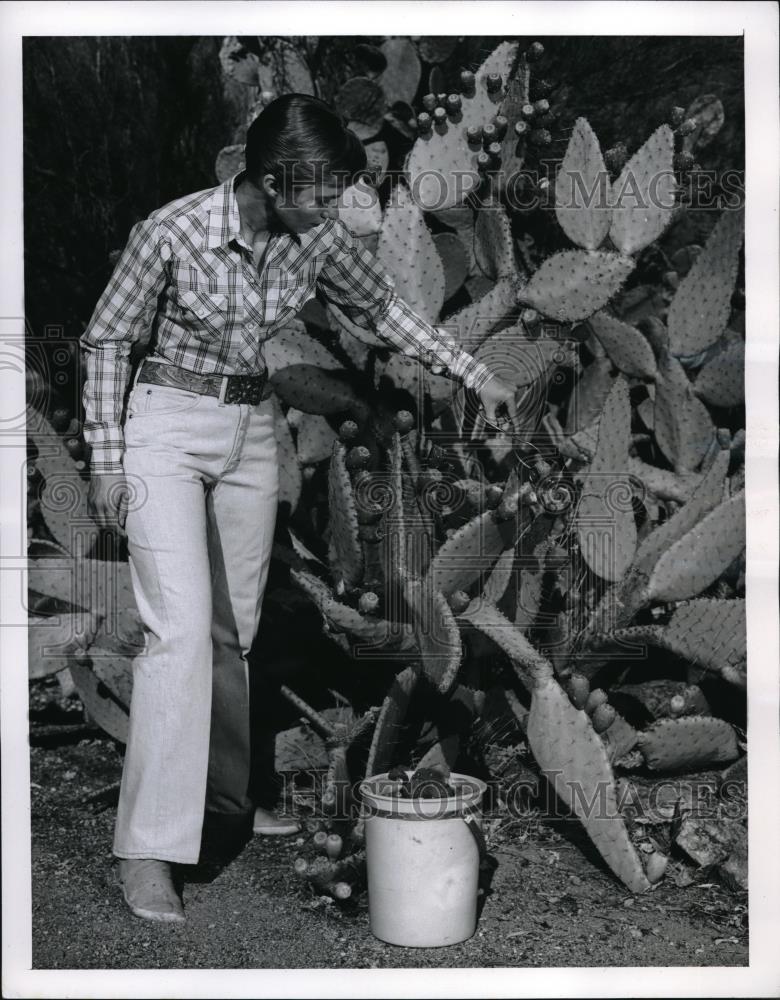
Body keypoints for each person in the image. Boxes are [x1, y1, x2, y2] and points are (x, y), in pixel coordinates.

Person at [80, 93, 517, 923]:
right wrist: (105, 459)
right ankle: (148, 850)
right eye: (319, 189)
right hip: (165, 427)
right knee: (176, 631)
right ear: (271, 178)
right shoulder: (171, 230)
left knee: (230, 632)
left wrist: (476, 373)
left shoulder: (314, 238)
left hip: (250, 429)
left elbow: (385, 310)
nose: (332, 206)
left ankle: (223, 810)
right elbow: (106, 339)